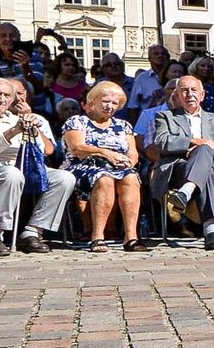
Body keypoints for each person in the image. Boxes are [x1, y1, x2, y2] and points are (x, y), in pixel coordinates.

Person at [0, 78, 74, 256]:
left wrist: (33, 130)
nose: (2, 100)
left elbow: (42, 151)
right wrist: (13, 132)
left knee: (64, 178)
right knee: (11, 174)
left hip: (18, 167)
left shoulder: (15, 118)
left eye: (7, 95)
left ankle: (32, 232)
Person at [150, 76, 214, 250]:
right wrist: (192, 143)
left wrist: (211, 146)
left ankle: (186, 192)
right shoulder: (165, 116)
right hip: (180, 167)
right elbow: (161, 142)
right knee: (204, 167)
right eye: (184, 90)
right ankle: (210, 228)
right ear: (177, 96)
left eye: (193, 90)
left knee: (205, 151)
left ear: (202, 95)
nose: (189, 94)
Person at [61, 81, 149, 253]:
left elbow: (133, 153)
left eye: (115, 103)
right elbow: (78, 148)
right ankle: (97, 236)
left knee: (131, 177)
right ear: (93, 101)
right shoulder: (78, 121)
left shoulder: (123, 126)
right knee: (103, 178)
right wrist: (106, 153)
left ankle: (131, 237)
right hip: (83, 166)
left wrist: (128, 163)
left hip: (117, 167)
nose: (110, 106)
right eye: (106, 101)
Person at [0, 23, 47, 107]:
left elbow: (39, 87)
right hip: (0, 112)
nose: (8, 39)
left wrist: (25, 67)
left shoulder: (32, 55)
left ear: (19, 37)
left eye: (12, 35)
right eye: (3, 35)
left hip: (32, 109)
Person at [129, 43, 173, 114]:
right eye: (156, 54)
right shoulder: (142, 78)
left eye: (163, 54)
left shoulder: (175, 76)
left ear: (168, 58)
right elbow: (133, 106)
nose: (160, 56)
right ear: (149, 59)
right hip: (149, 119)